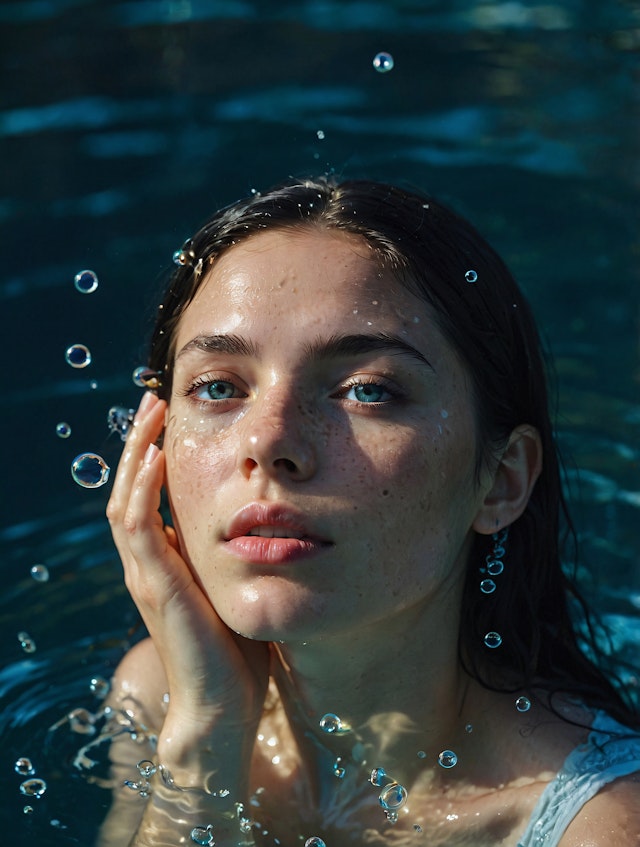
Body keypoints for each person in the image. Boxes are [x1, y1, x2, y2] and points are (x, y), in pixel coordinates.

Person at [100, 177, 640, 847]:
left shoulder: (602, 826)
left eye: (368, 390)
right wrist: (205, 738)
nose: (269, 441)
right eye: (217, 386)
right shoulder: (162, 693)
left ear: (500, 481)